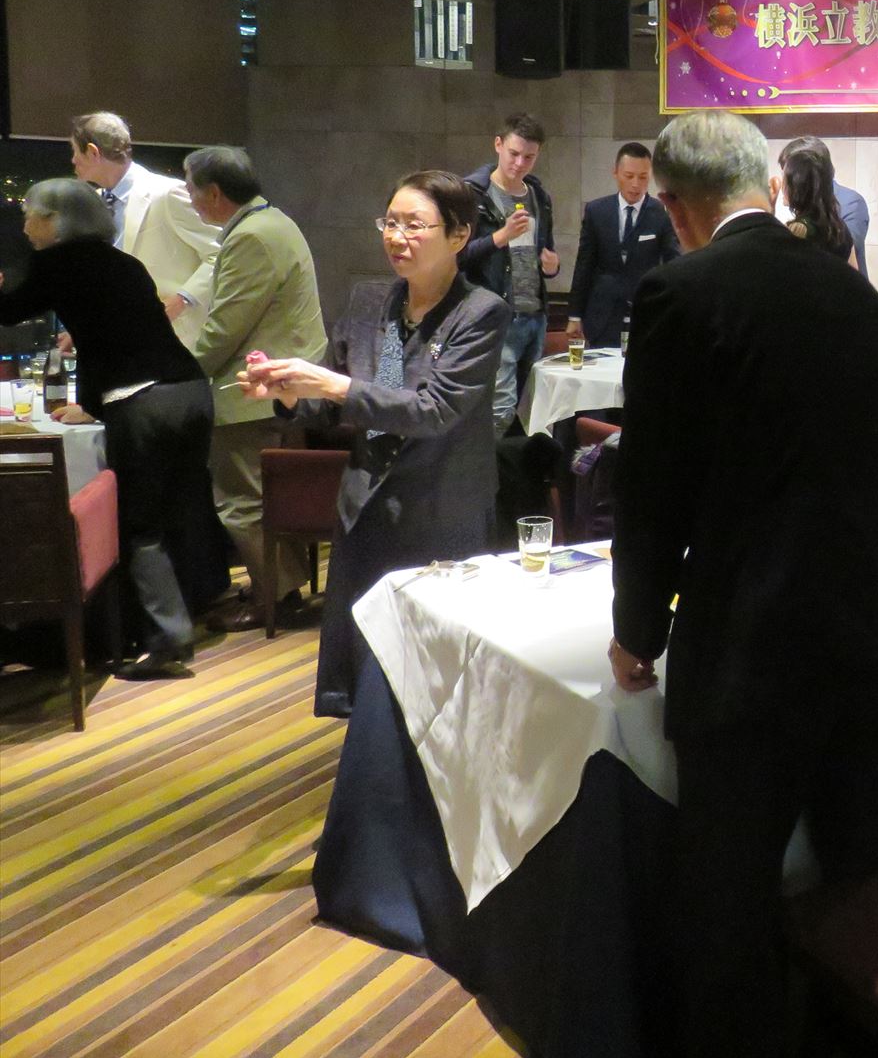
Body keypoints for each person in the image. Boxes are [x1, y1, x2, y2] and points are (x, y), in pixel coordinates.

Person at [605, 112, 878, 1058]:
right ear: (767, 184)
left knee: (728, 888)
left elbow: (653, 487)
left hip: (756, 635)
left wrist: (638, 631)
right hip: (874, 621)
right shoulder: (847, 288)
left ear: (673, 207)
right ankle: (868, 1047)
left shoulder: (679, 291)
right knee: (860, 850)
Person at [243, 171, 508, 717]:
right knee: (367, 661)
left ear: (459, 235)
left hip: (440, 507)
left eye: (415, 225)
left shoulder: (479, 312)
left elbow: (434, 411)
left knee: (435, 675)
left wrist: (332, 386)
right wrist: (288, 392)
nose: (396, 237)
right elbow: (337, 403)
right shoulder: (372, 301)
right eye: (390, 222)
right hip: (367, 505)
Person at [0, 179, 221, 678]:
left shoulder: (58, 262)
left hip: (141, 401)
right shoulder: (124, 262)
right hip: (190, 391)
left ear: (56, 220)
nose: (25, 225)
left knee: (140, 525)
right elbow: (120, 324)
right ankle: (187, 612)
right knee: (179, 509)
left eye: (32, 215)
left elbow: (9, 310)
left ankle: (166, 640)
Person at [182, 146, 329, 632]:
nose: (189, 199)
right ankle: (279, 586)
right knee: (266, 498)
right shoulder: (273, 221)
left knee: (241, 501)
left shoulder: (251, 235)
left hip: (253, 391)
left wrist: (180, 371)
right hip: (280, 383)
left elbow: (227, 326)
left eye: (191, 189)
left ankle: (277, 598)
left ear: (214, 193)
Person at [69, 111, 220, 346]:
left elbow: (221, 252)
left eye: (75, 151)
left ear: (92, 152)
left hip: (174, 340)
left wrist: (183, 299)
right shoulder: (96, 202)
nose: (73, 160)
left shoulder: (166, 193)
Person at [460, 114, 560, 432]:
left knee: (531, 412)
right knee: (499, 410)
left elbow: (545, 250)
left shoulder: (538, 196)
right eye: (514, 153)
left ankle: (516, 465)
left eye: (529, 157)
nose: (520, 163)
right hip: (496, 314)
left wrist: (552, 266)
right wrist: (499, 237)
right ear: (498, 144)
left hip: (534, 314)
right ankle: (488, 465)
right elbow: (456, 256)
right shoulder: (473, 195)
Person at [566, 141, 678, 349]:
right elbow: (584, 264)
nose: (636, 184)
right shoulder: (596, 211)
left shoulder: (661, 213)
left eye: (643, 177)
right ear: (616, 173)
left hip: (645, 312)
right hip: (602, 314)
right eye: (629, 176)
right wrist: (575, 314)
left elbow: (674, 262)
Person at [779, 135, 870, 277]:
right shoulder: (806, 222)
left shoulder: (851, 203)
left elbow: (841, 254)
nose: (782, 183)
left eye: (788, 174)